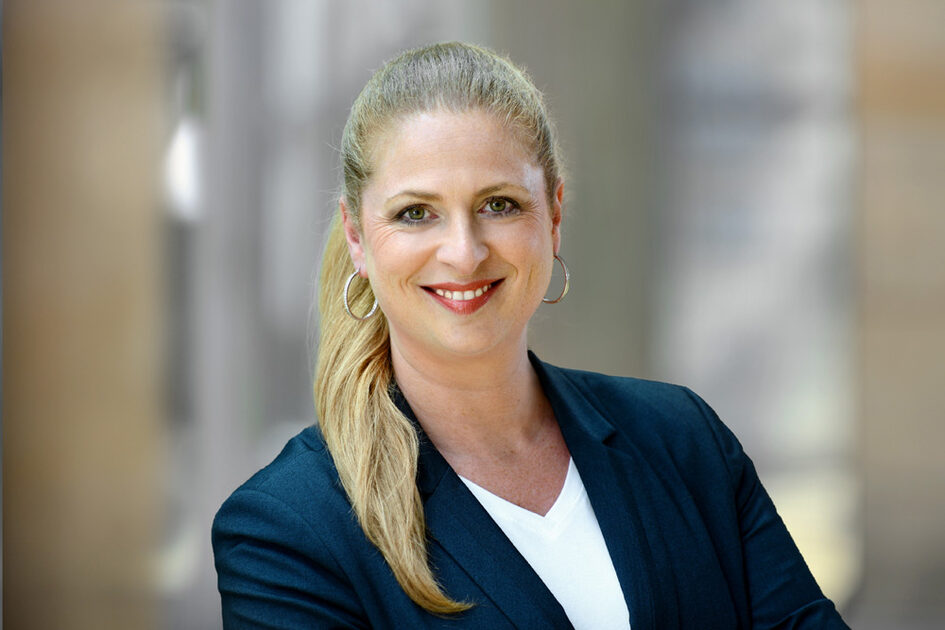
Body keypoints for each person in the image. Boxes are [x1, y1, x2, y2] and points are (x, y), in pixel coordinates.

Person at [212, 42, 849, 629]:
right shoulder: (286, 530)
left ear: (555, 218)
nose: (463, 253)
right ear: (356, 237)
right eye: (416, 213)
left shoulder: (683, 442)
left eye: (499, 205)